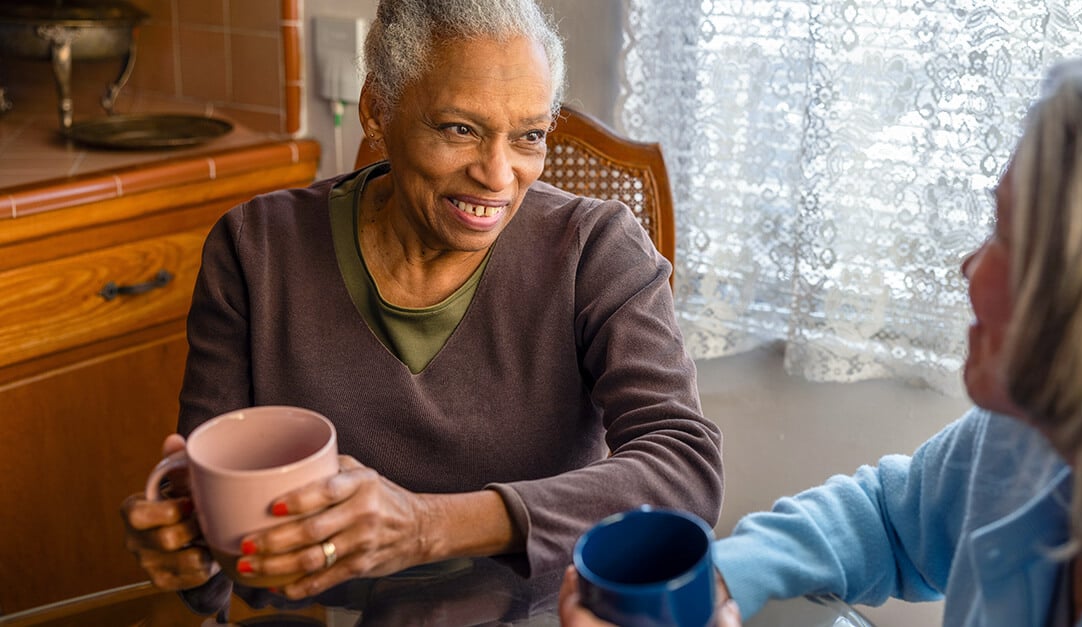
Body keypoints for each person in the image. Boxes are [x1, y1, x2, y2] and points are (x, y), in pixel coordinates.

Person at [119, 0, 723, 615]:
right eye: (459, 128)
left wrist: (425, 526)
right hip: (320, 612)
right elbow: (211, 526)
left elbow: (684, 469)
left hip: (543, 611)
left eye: (528, 136)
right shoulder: (255, 250)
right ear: (378, 111)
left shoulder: (595, 248)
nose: (497, 175)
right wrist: (189, 551)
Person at [562, 58, 1082, 626]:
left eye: (1006, 233)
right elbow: (890, 519)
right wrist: (720, 577)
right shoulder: (1021, 433)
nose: (968, 265)